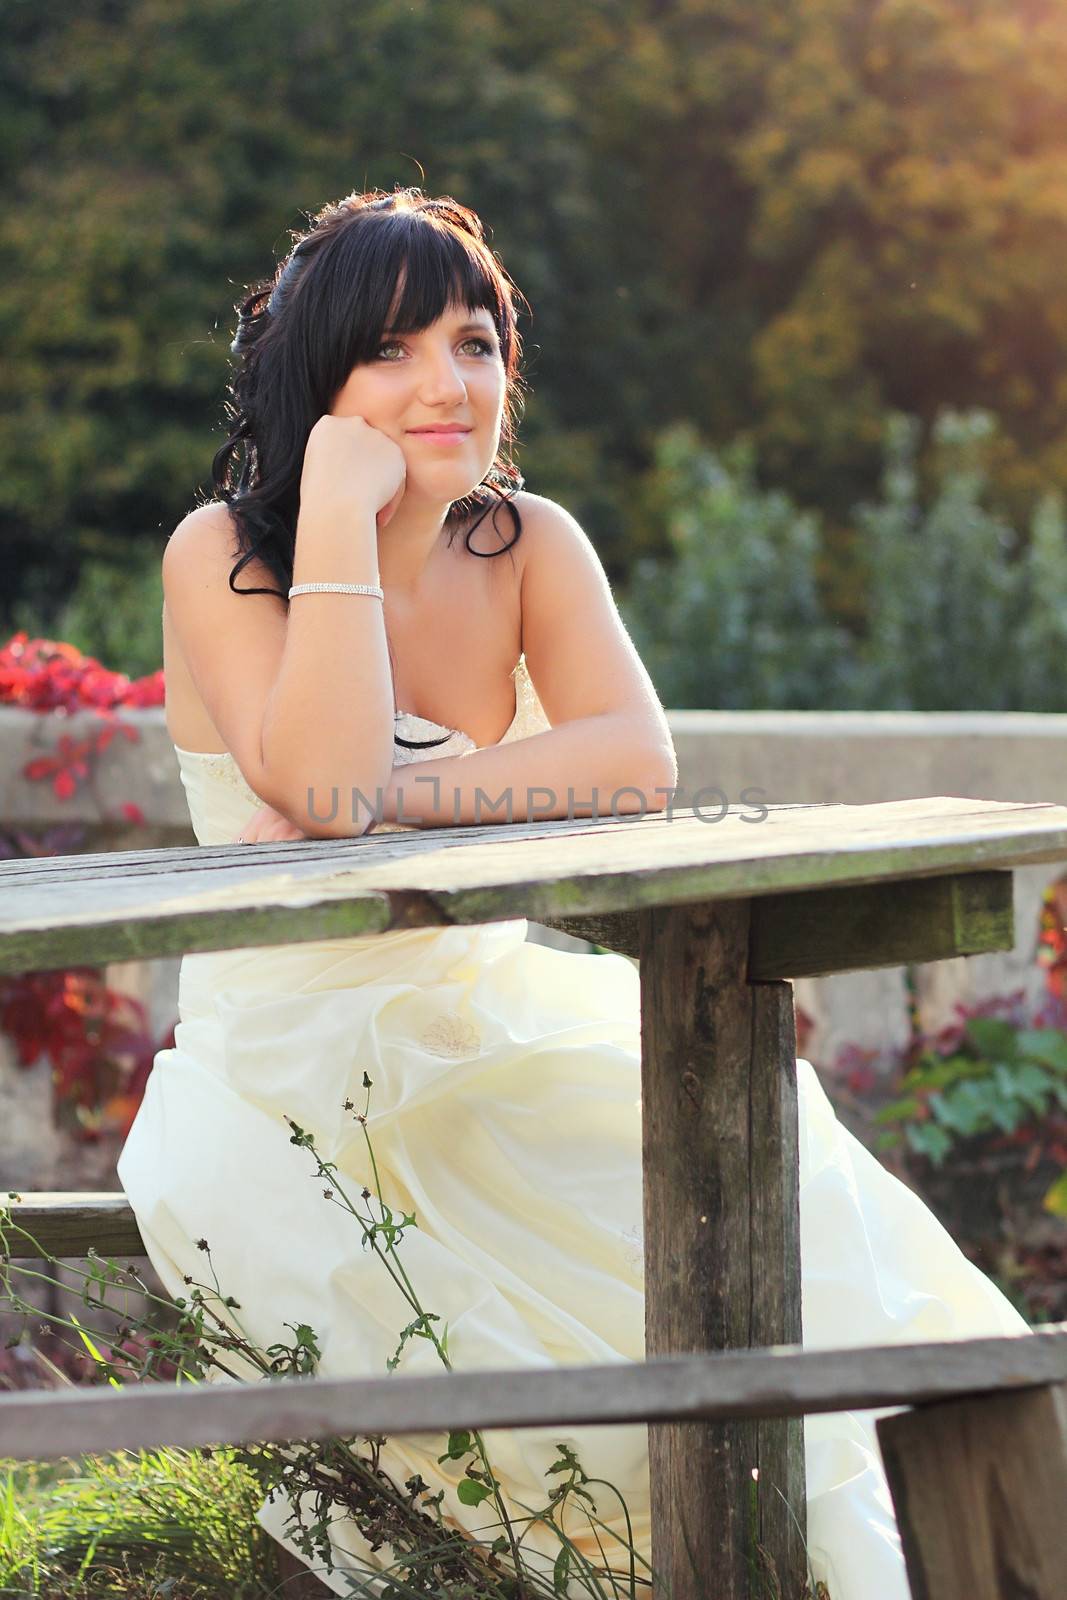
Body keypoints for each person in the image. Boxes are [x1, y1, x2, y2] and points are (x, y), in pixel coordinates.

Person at [118, 186, 1030, 1599]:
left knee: (792, 1195)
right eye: (397, 350)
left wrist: (397, 797)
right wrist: (345, 524)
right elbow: (318, 769)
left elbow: (630, 758)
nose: (448, 383)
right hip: (291, 1076)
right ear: (321, 385)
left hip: (492, 1022)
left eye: (475, 345)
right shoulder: (225, 556)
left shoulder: (525, 542)